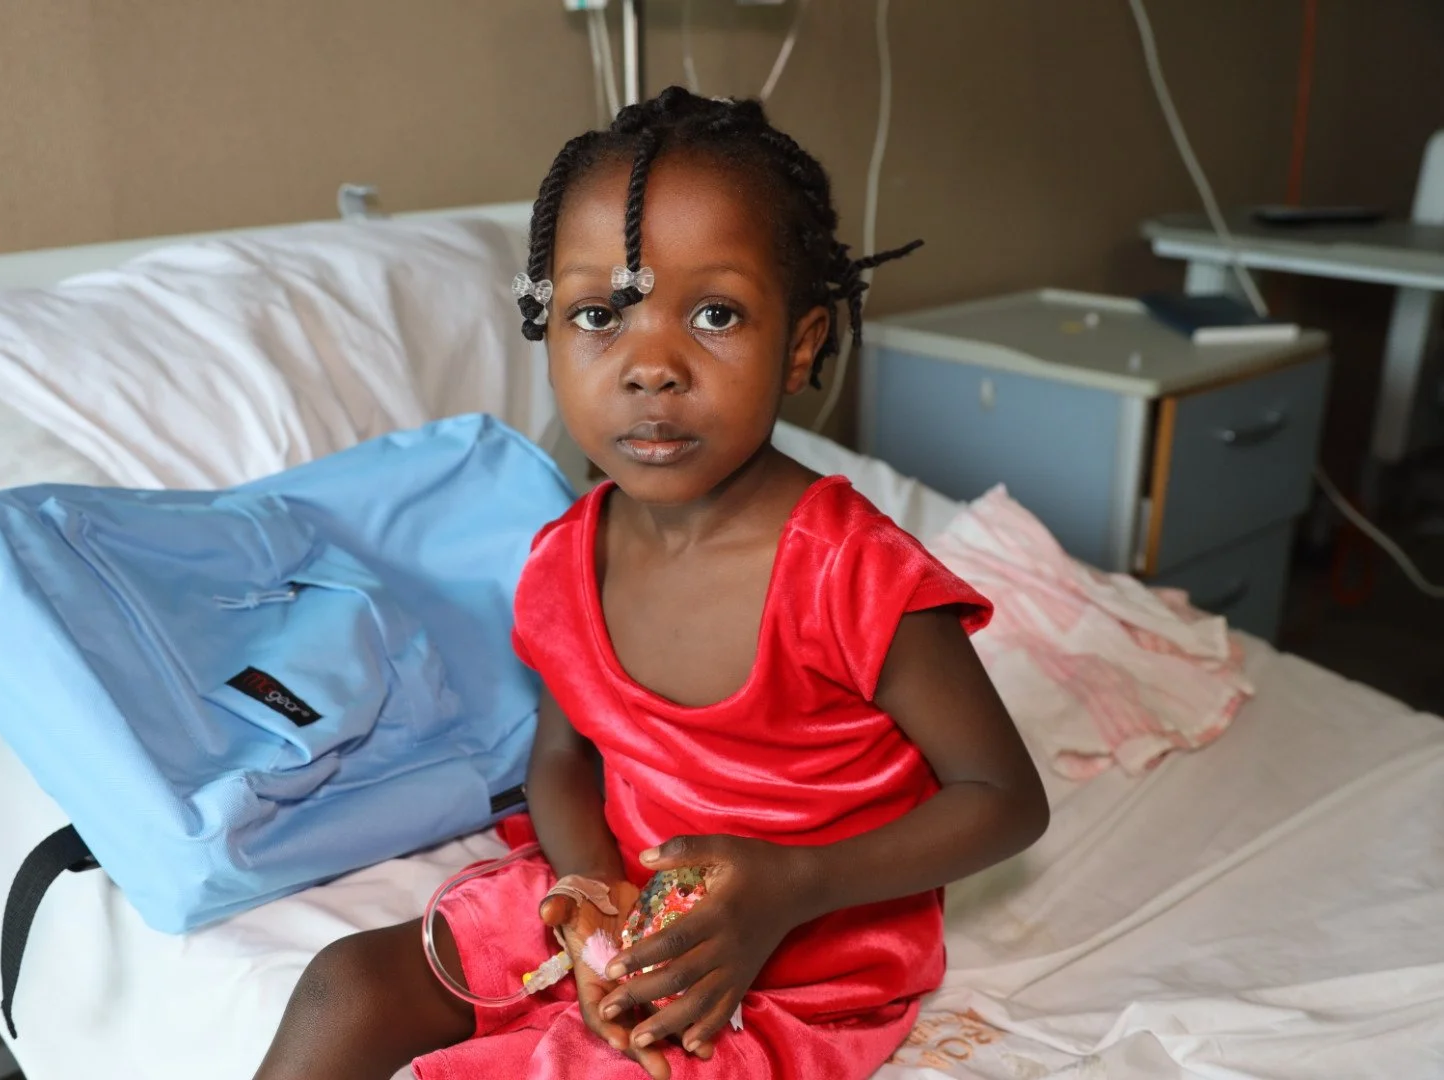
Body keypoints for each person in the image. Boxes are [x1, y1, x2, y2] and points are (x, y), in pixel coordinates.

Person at [255, 86, 1048, 1080]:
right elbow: (561, 761)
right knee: (346, 987)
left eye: (715, 314)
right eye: (598, 315)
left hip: (802, 944)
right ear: (548, 337)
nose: (652, 366)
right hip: (621, 897)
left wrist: (793, 885)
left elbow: (1003, 799)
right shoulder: (564, 560)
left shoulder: (851, 573)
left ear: (800, 345)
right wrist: (590, 895)